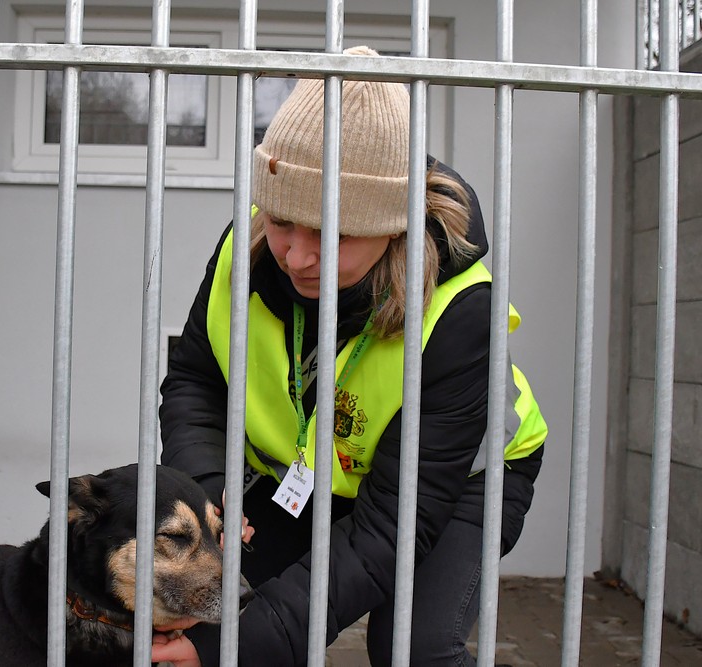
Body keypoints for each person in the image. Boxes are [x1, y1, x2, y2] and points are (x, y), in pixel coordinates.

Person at [152, 45, 547, 667]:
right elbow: (197, 380)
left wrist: (240, 647)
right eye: (282, 219)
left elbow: (393, 525)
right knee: (206, 610)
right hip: (309, 474)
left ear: (392, 225)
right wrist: (209, 488)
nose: (296, 256)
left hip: (457, 483)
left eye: (333, 233)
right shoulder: (244, 247)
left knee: (412, 649)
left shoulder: (462, 312)